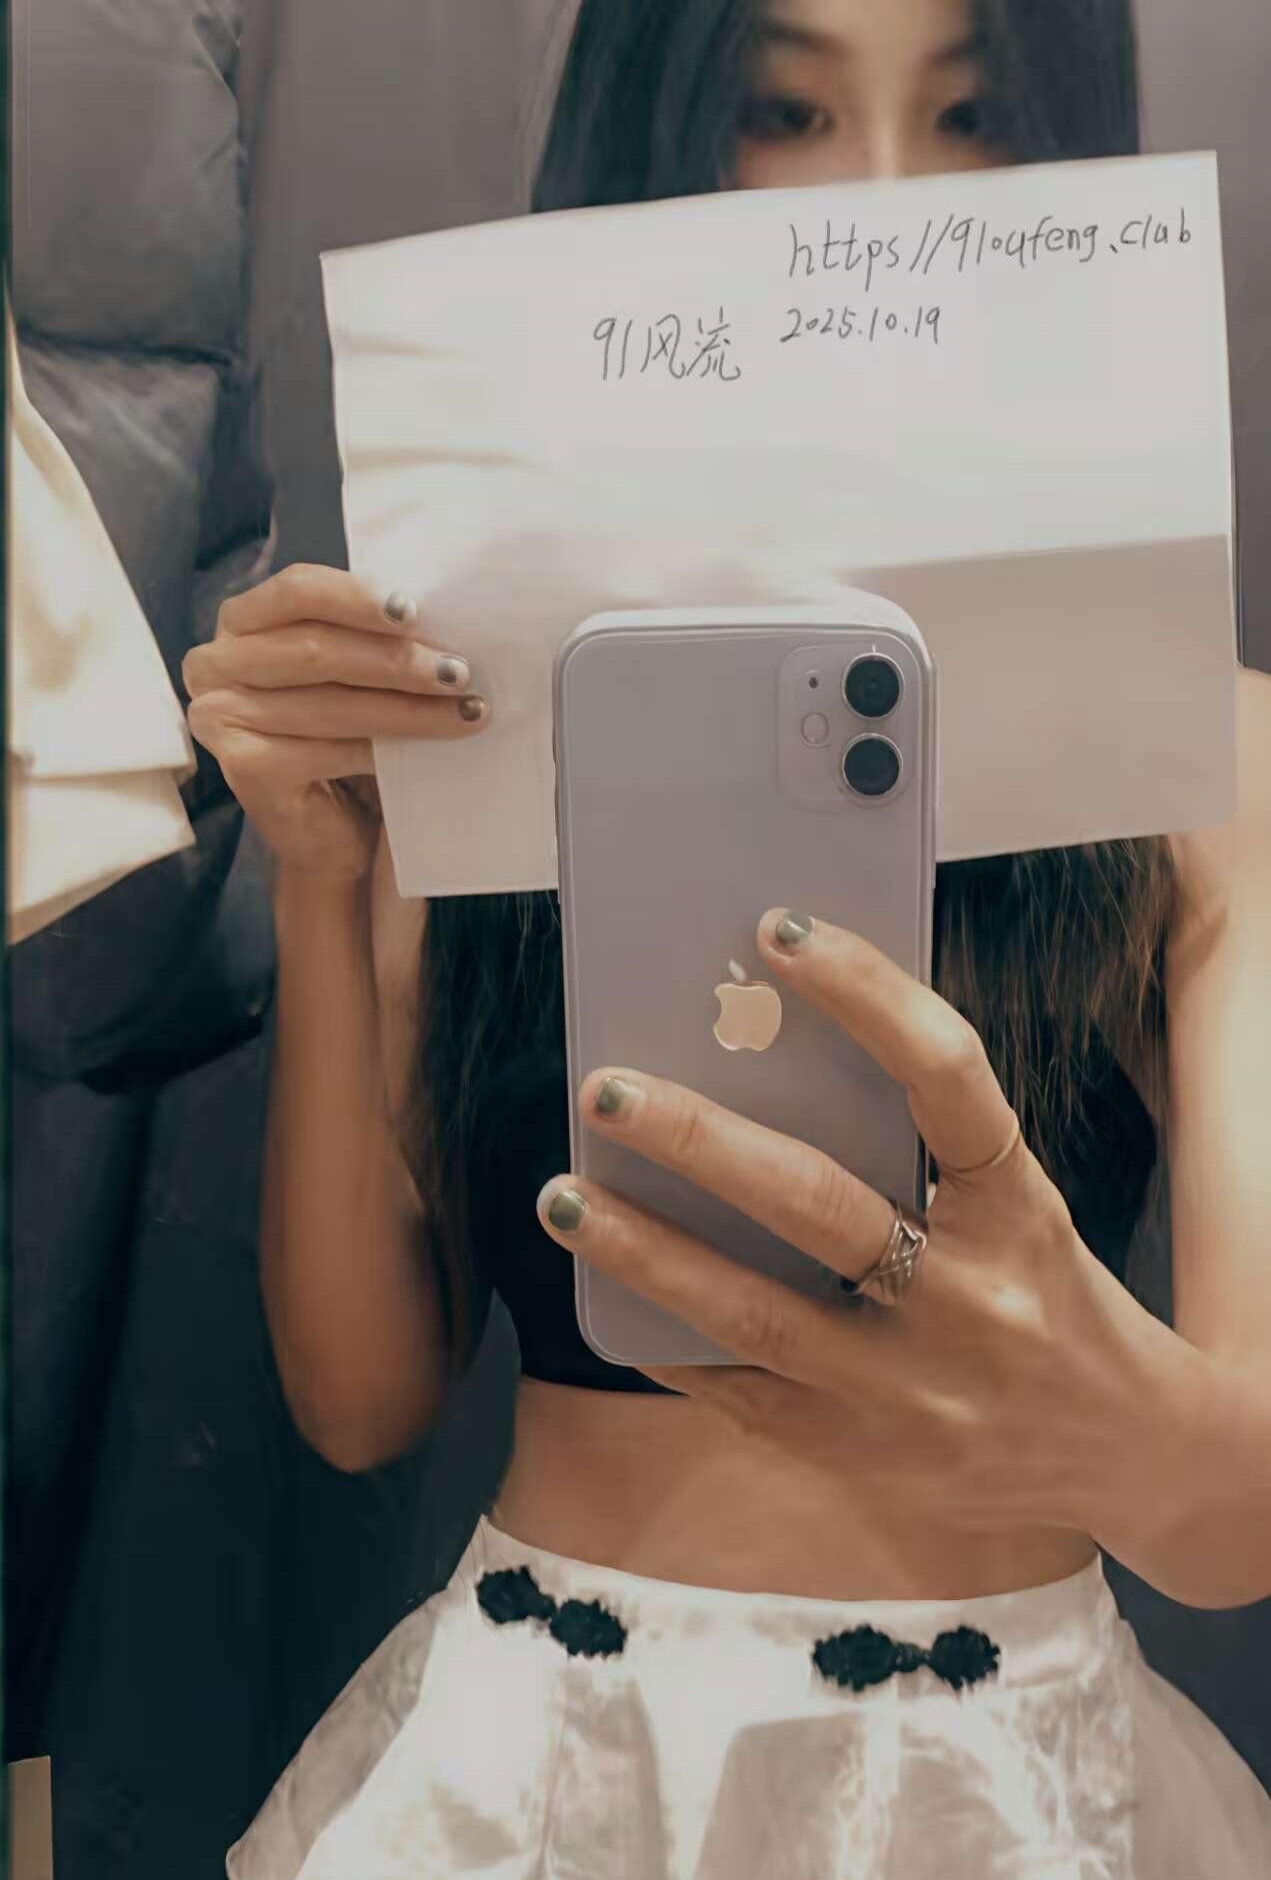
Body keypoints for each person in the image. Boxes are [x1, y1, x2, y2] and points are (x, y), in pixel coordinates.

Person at [188, 1, 1271, 1873]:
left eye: (974, 118)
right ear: (664, 135)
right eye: (785, 108)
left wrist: (1074, 1386)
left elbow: (1236, 1525)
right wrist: (318, 870)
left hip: (1003, 1780)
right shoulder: (492, 712)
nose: (877, 207)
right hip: (535, 1765)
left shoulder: (1213, 755)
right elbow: (360, 1400)